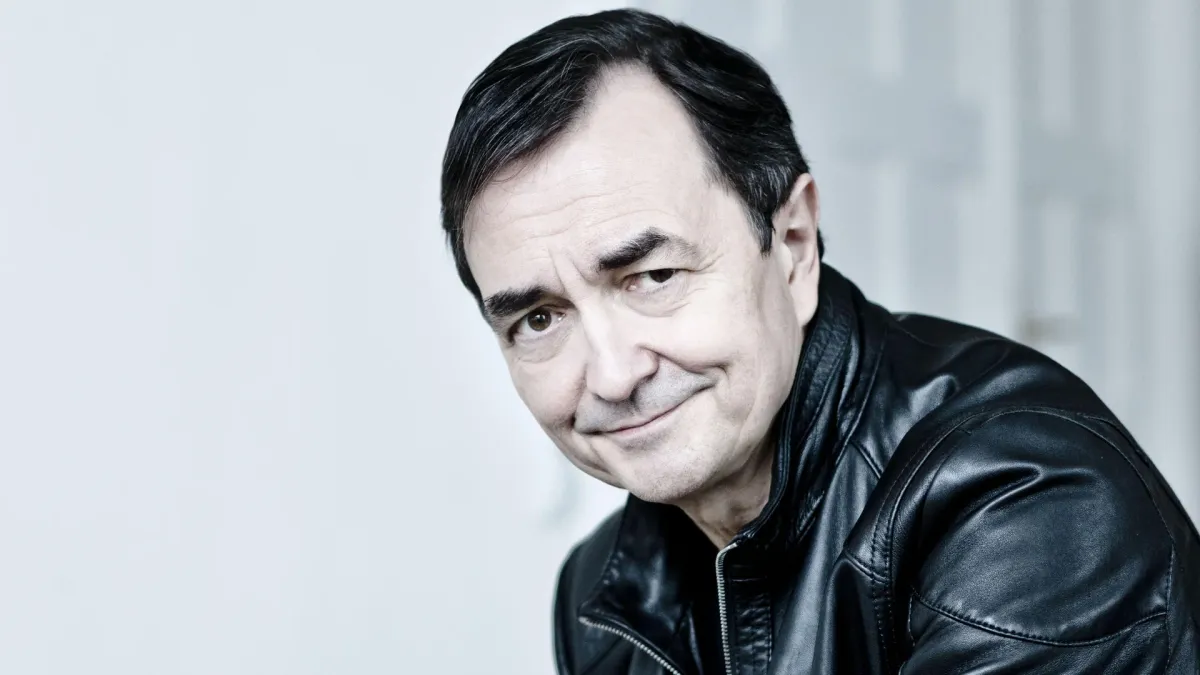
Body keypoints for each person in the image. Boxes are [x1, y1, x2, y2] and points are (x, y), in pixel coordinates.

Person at [439, 8, 1200, 674]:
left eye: (654, 276)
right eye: (538, 319)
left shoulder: (1032, 507)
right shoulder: (602, 595)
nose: (611, 374)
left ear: (794, 245)